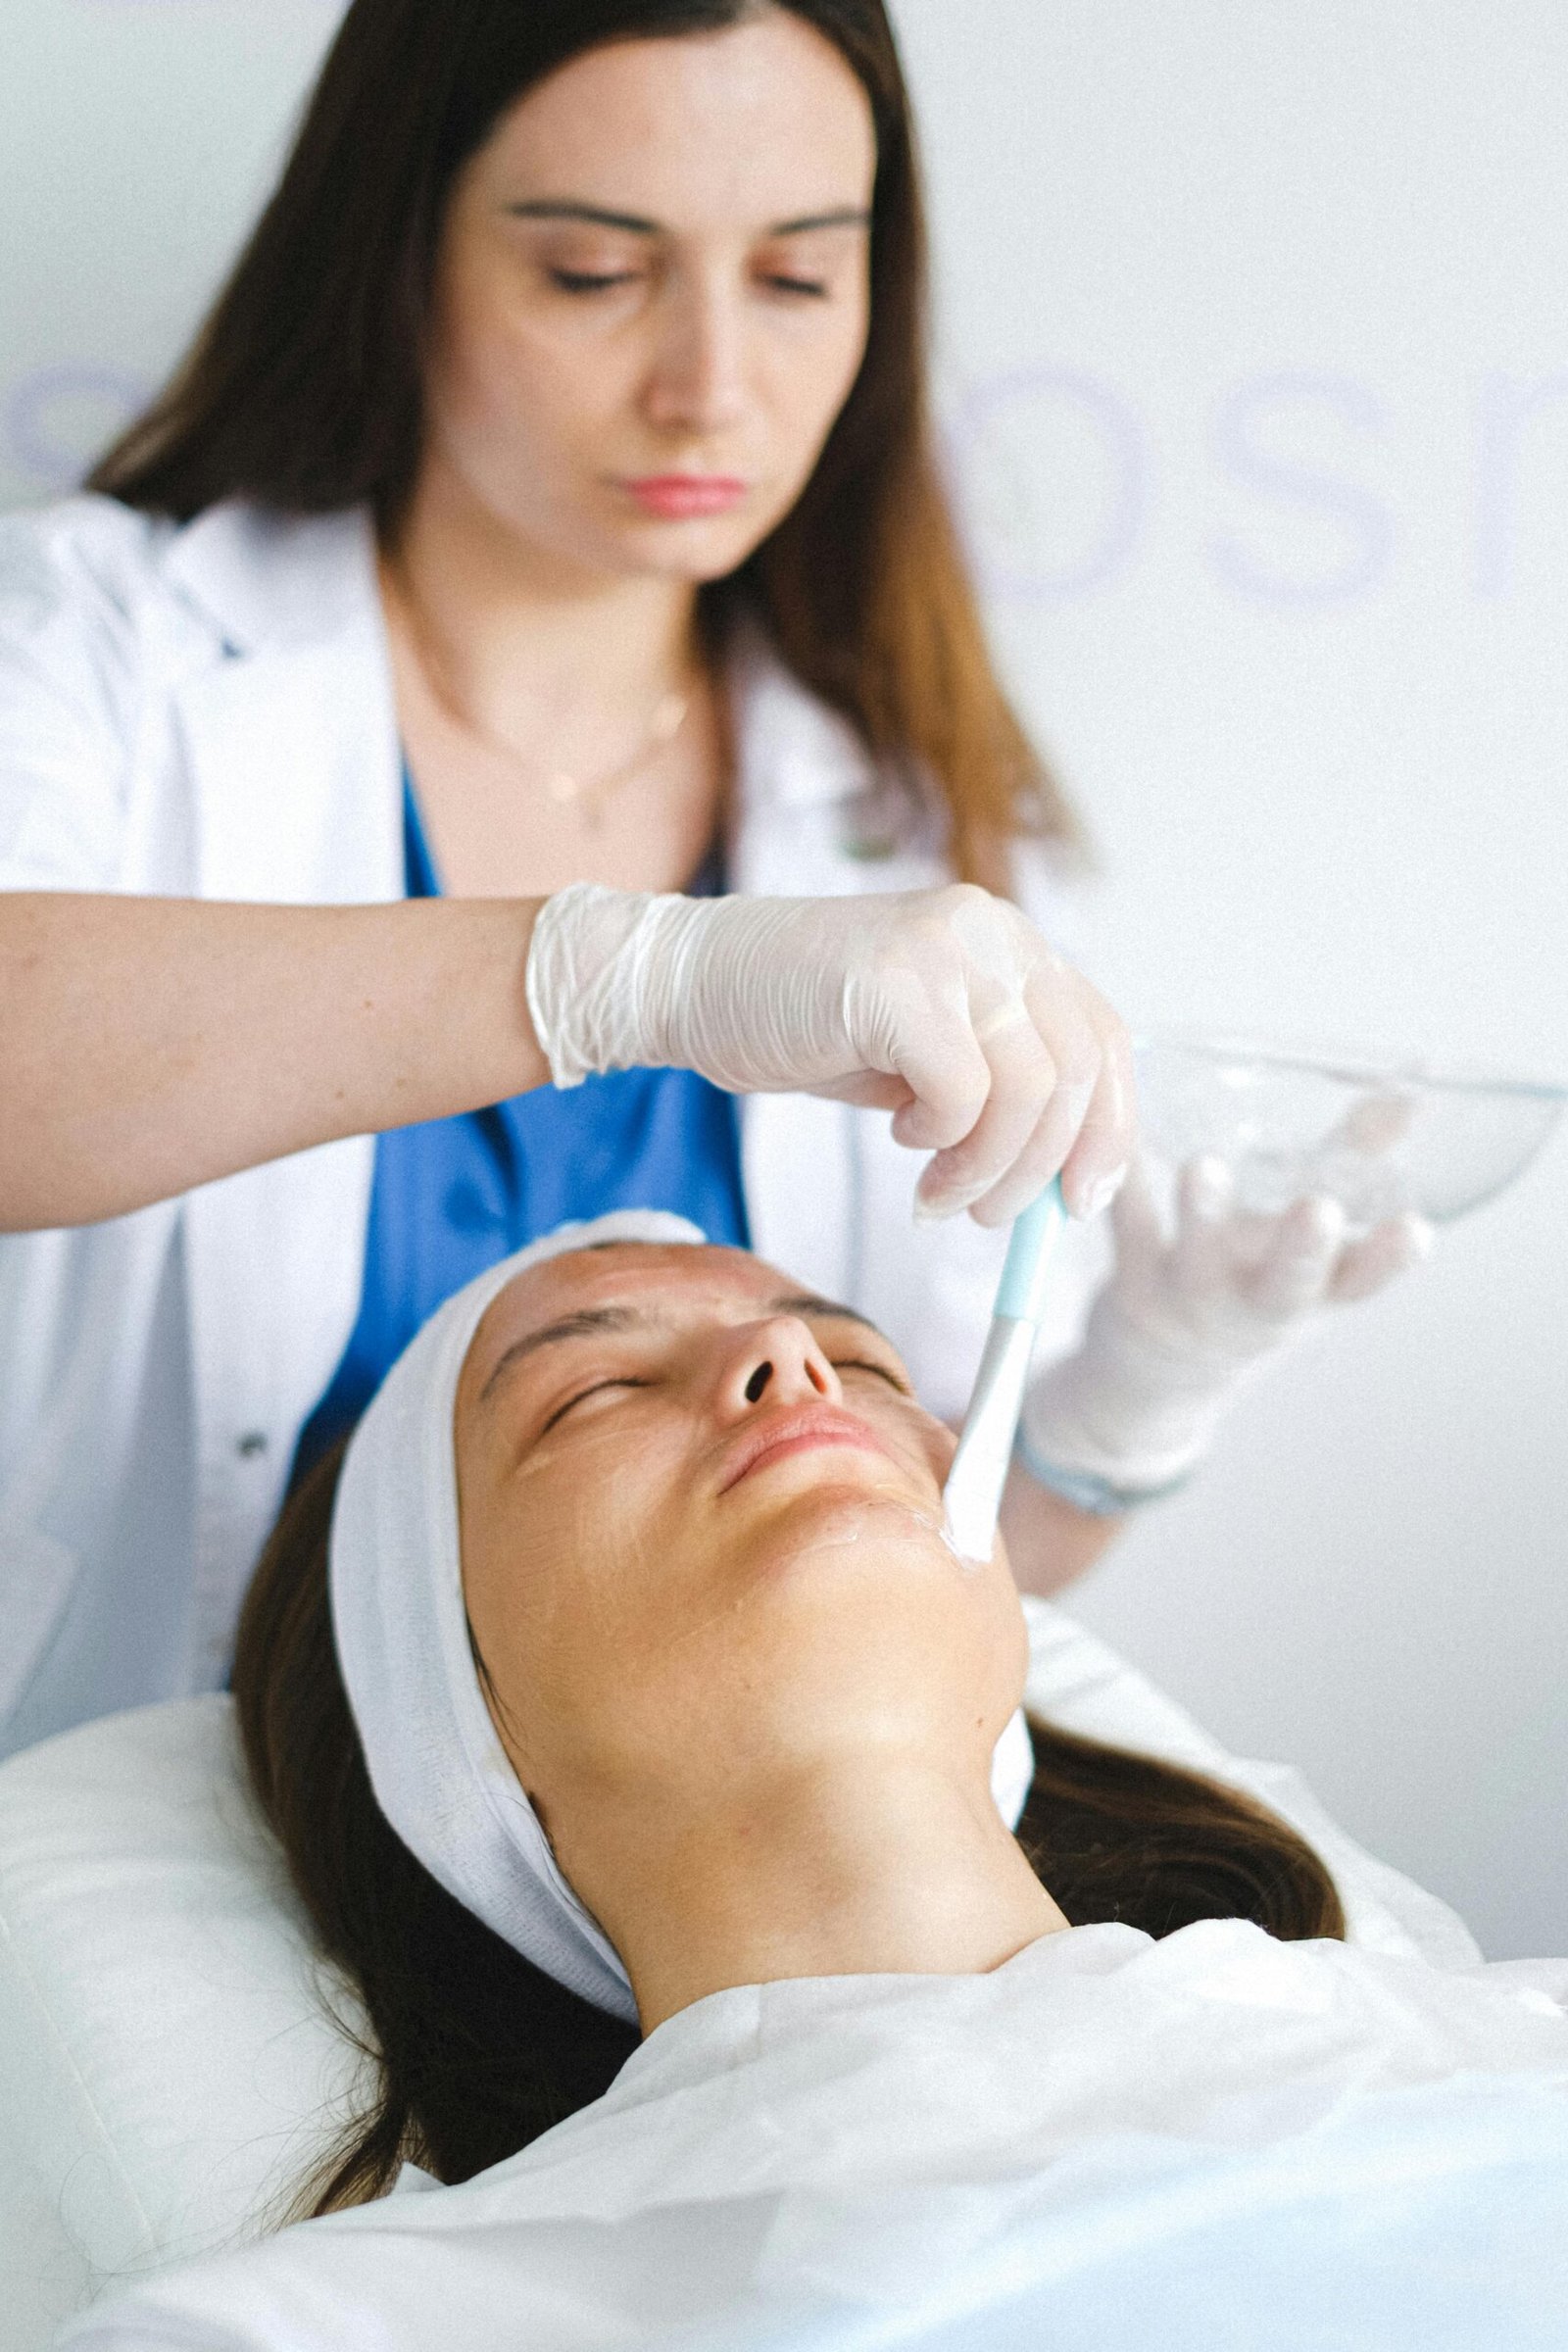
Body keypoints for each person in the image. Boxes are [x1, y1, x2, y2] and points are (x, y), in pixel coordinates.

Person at [0, 0, 1419, 1762]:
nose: (712, 386)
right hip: (116, 1819)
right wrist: (623, 979)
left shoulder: (905, 809)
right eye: (596, 273)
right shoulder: (89, 648)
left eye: (801, 279)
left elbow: (922, 1593)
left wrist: (1128, 1400)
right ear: (394, 255)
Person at [58, 1218, 1568, 2352]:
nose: (788, 1370)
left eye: (865, 1365)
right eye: (591, 1393)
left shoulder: (1511, 2054)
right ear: (447, 1724)